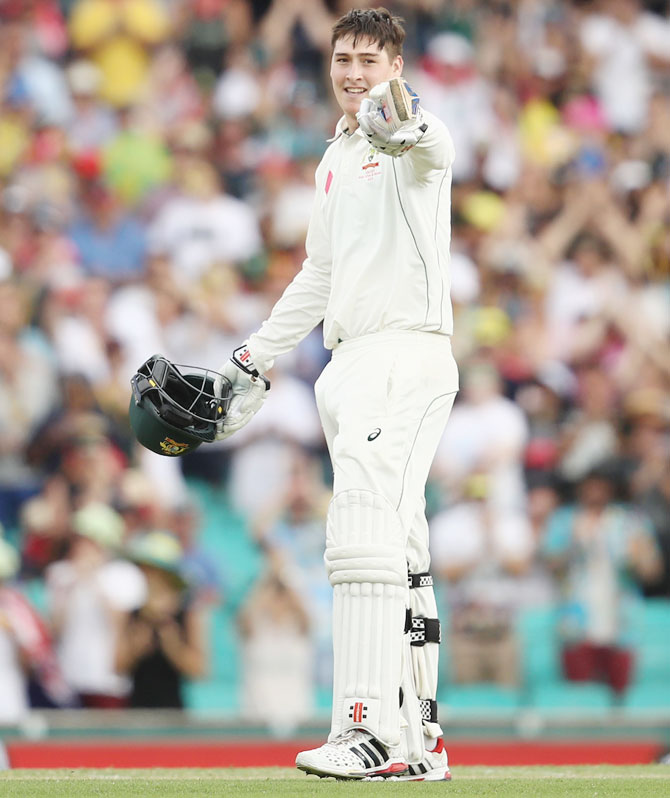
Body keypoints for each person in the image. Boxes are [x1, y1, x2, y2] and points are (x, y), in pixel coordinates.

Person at [215, 8, 458, 781]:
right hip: (350, 362)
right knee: (401, 547)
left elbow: (422, 144)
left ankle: (364, 728)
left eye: (368, 59)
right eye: (342, 58)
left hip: (402, 352)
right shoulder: (336, 153)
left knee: (360, 534)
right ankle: (420, 746)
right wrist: (255, 358)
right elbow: (319, 274)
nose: (353, 72)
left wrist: (401, 123)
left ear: (394, 61)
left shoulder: (413, 133)